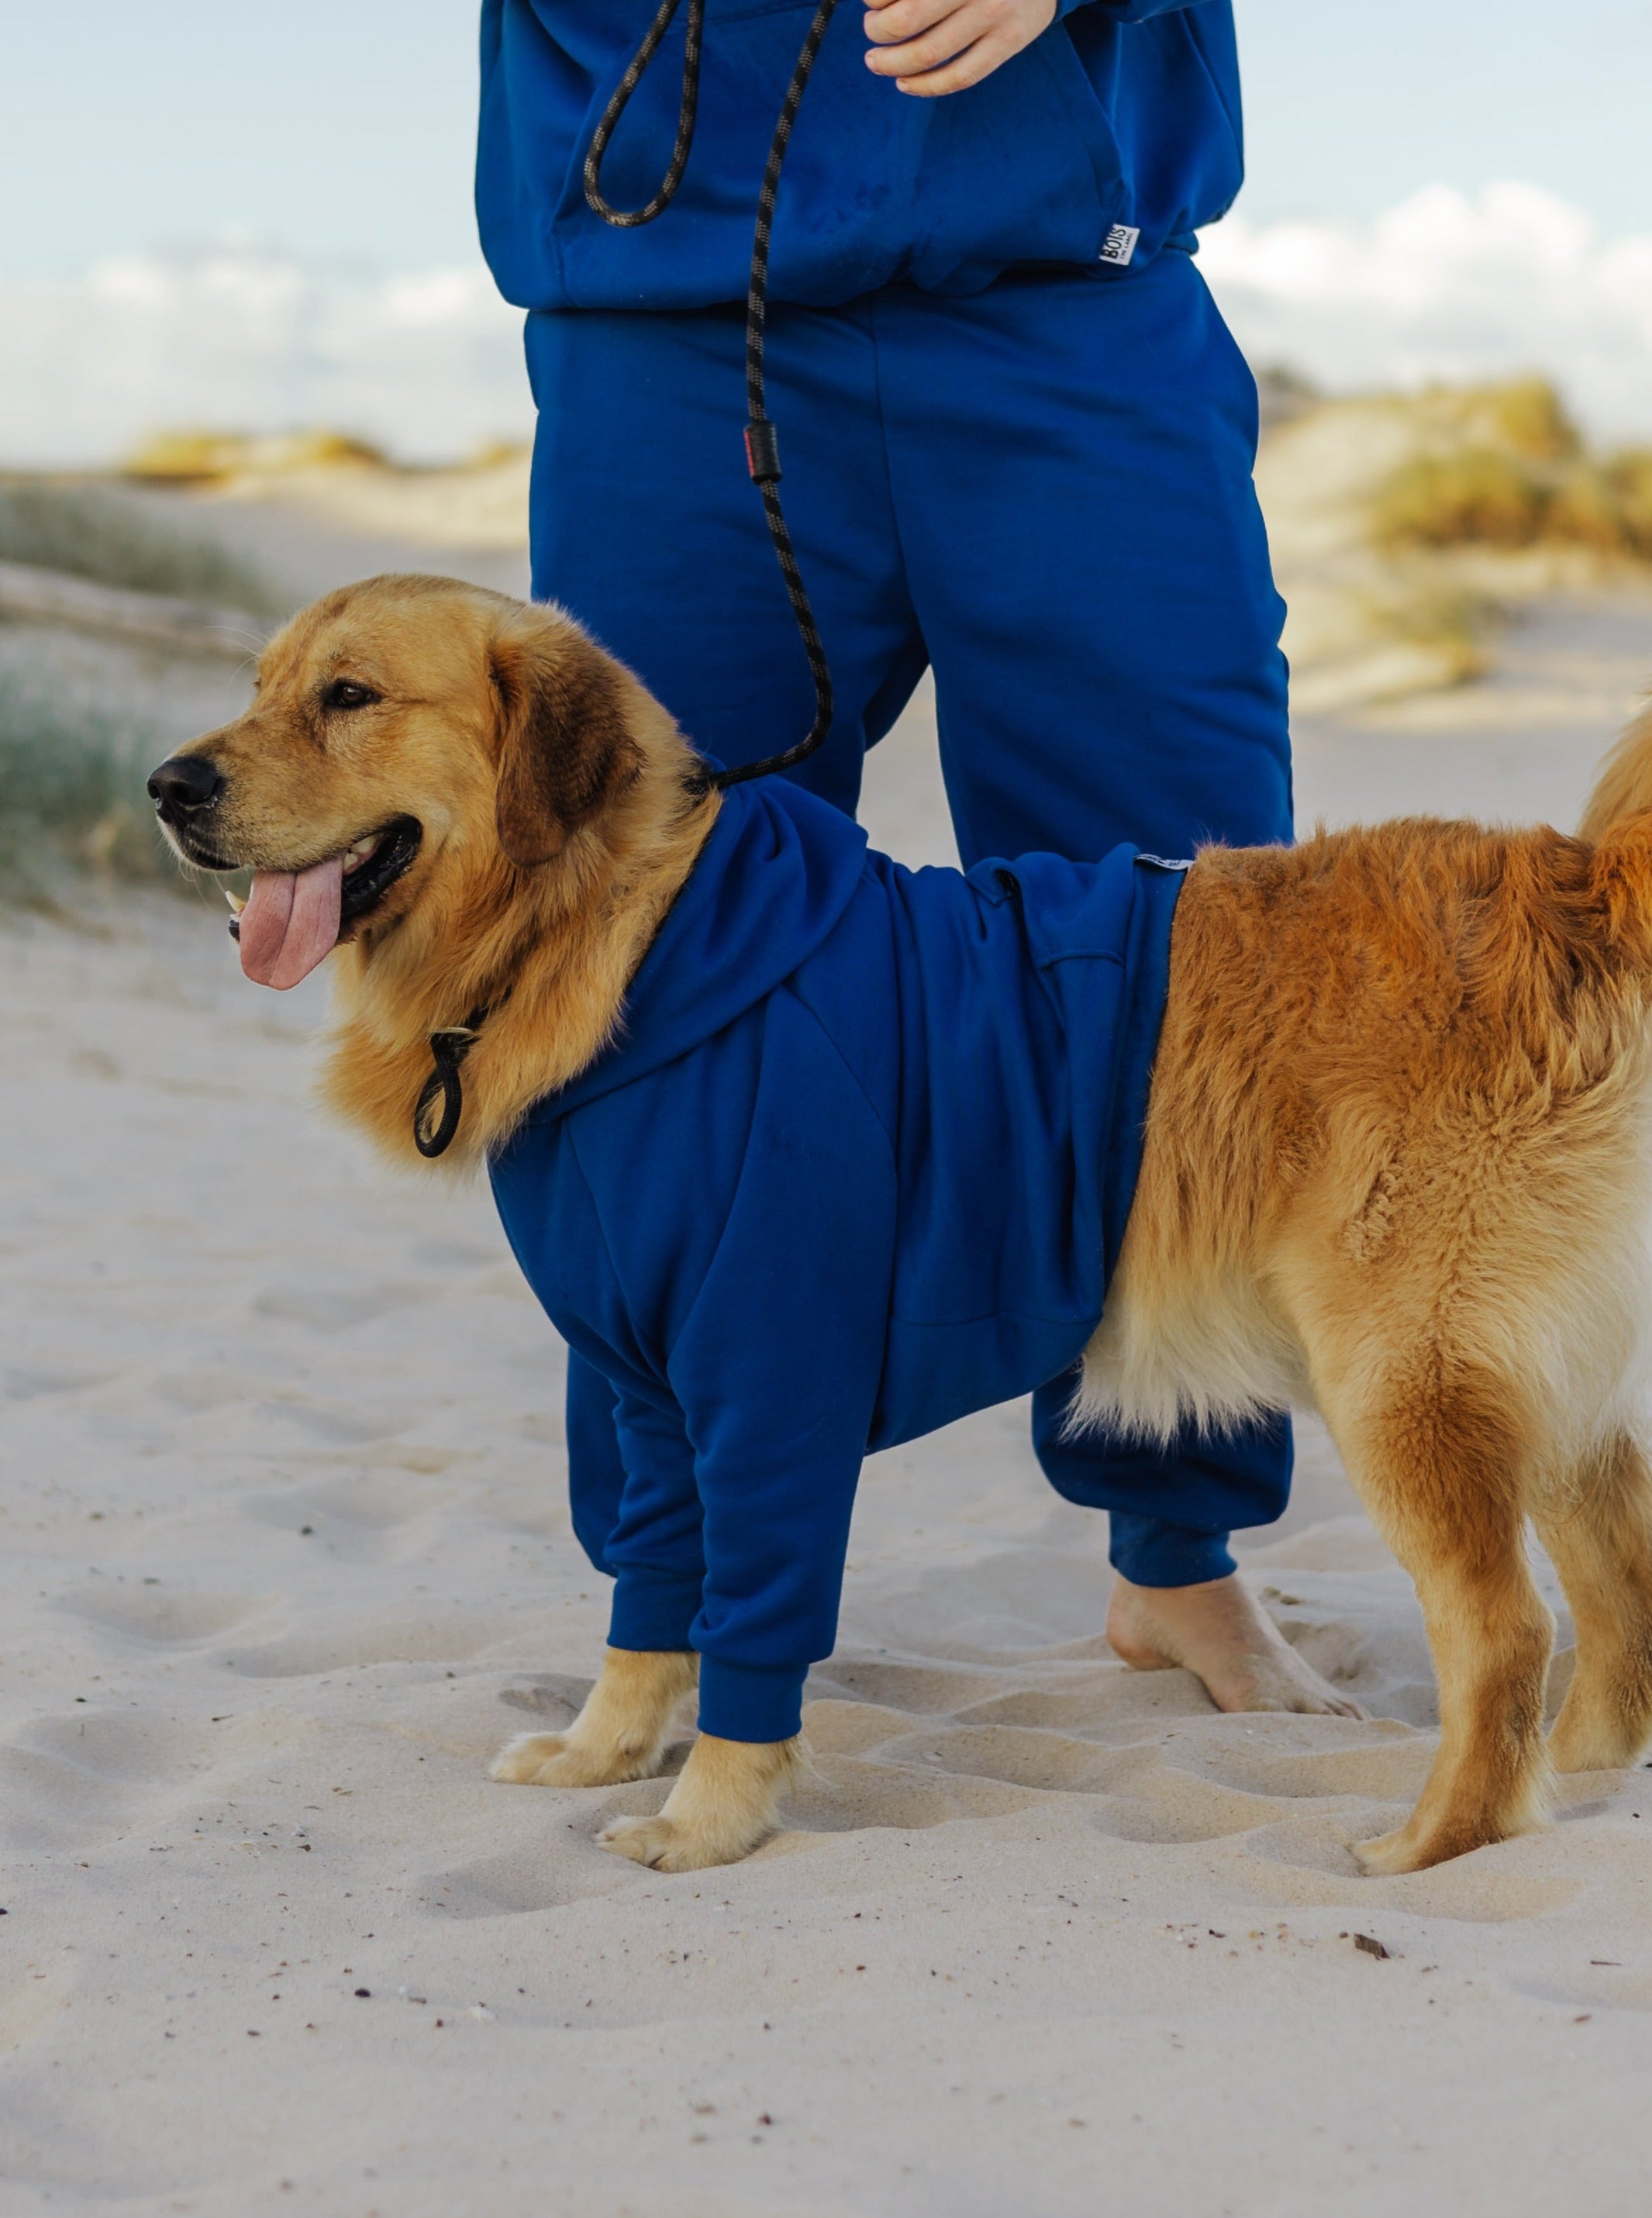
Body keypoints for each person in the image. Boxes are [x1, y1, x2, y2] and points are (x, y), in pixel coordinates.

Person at [475, 0, 1357, 1716]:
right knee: (636, 965)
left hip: (1071, 309)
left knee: (1205, 946)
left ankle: (1175, 1561)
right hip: (663, 317)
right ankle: (676, 1607)